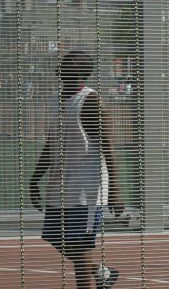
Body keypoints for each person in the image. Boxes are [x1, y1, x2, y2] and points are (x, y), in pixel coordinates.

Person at [30, 50, 122, 289]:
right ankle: (102, 273)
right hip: (60, 188)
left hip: (86, 192)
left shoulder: (91, 101)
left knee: (80, 250)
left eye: (71, 64)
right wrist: (35, 178)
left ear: (83, 72)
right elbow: (51, 143)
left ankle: (94, 278)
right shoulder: (54, 101)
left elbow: (108, 148)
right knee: (58, 239)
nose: (63, 67)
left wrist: (115, 191)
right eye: (63, 63)